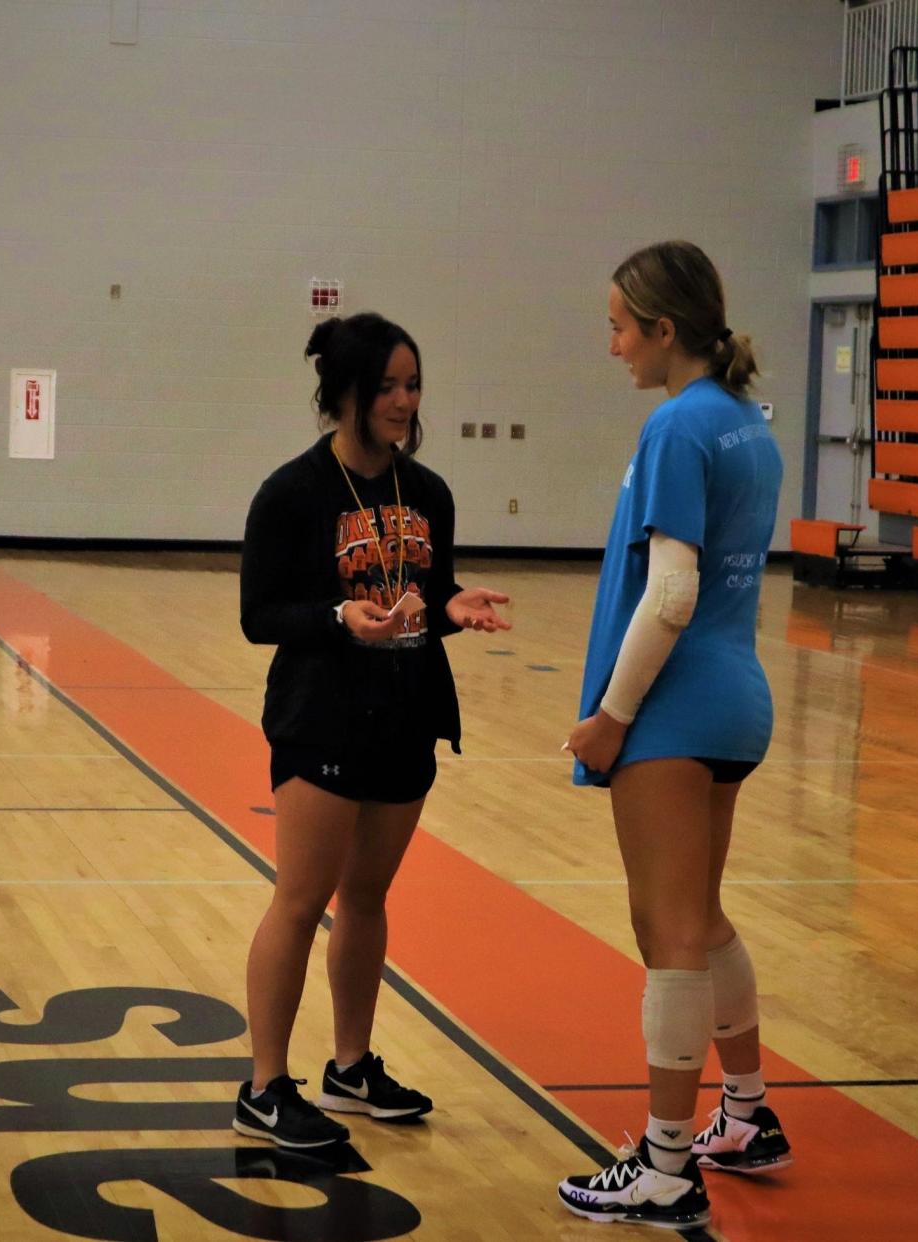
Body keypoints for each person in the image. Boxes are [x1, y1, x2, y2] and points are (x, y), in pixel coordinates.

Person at [234, 311, 510, 1149]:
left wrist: (456, 609)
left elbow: (436, 590)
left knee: (367, 897)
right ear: (346, 393)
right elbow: (258, 616)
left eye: (413, 384)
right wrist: (337, 617)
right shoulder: (292, 493)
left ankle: (350, 1067)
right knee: (301, 898)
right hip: (319, 718)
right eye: (387, 386)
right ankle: (264, 1085)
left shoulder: (427, 492)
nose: (403, 400)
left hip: (406, 717)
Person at [558, 242, 791, 1227]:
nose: (612, 346)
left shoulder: (678, 426)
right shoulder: (748, 424)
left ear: (663, 329)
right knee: (701, 913)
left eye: (619, 325)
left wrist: (613, 717)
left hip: (675, 712)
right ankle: (743, 1115)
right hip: (738, 700)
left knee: (669, 936)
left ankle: (663, 1164)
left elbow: (674, 588)